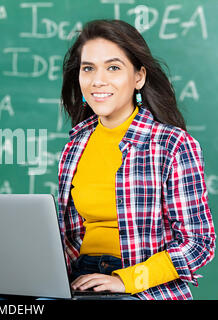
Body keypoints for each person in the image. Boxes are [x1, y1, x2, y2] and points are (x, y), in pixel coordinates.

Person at [58, 19, 215, 300]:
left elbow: (199, 244)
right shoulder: (75, 146)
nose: (97, 81)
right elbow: (69, 238)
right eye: (88, 68)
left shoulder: (172, 144)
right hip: (81, 277)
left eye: (113, 67)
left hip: (141, 286)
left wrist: (125, 280)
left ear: (139, 77)